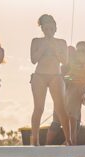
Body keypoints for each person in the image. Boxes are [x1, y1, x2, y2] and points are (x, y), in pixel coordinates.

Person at [30, 14, 72, 145]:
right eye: (45, 27)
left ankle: (69, 139)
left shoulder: (61, 42)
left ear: (55, 28)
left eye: (51, 27)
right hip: (39, 76)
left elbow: (65, 61)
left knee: (61, 108)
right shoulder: (36, 41)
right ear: (42, 28)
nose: (48, 30)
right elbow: (33, 59)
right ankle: (34, 139)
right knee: (39, 108)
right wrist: (44, 47)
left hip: (56, 76)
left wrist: (54, 47)